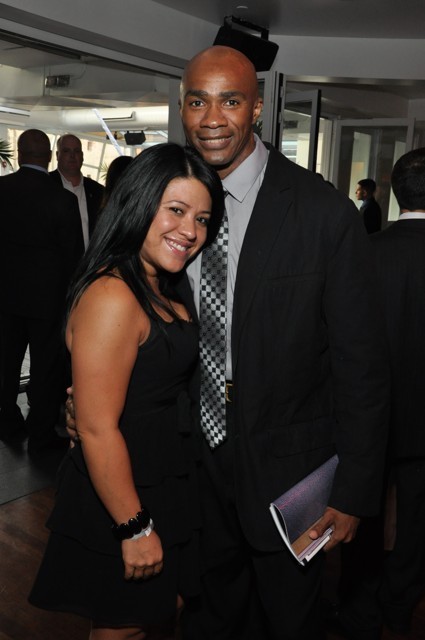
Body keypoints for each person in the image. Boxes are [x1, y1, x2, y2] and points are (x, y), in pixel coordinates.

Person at [173, 46, 389, 640]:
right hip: (193, 464)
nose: (212, 118)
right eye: (197, 101)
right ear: (183, 109)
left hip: (289, 475)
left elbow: (363, 367)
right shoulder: (167, 204)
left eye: (230, 100)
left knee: (289, 623)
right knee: (209, 618)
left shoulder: (322, 212)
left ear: (258, 109)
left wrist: (354, 491)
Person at [29, 142, 224, 640]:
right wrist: (134, 526)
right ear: (138, 204)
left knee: (161, 609)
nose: (190, 231)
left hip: (162, 472)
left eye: (202, 219)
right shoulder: (113, 293)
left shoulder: (159, 281)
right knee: (123, 629)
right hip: (125, 485)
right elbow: (97, 428)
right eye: (176, 210)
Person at [0, 129, 83, 451]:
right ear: (49, 156)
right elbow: (73, 255)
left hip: (6, 298)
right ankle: (40, 433)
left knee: (7, 365)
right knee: (45, 368)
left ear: (19, 153)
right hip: (49, 301)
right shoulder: (63, 200)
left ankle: (8, 423)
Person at [372, 148, 425, 635]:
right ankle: (397, 604)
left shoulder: (366, 252)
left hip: (372, 410)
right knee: (416, 522)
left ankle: (358, 602)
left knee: (361, 512)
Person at [50, 134, 104, 249]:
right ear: (57, 155)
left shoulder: (98, 191)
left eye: (77, 151)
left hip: (91, 259)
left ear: (82, 156)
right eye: (66, 151)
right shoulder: (46, 185)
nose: (72, 155)